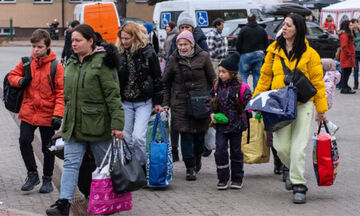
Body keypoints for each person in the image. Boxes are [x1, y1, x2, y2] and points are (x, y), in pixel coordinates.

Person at [46, 24, 125, 216]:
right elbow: (67, 95)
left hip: (98, 126)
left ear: (91, 41)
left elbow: (113, 96)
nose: (73, 44)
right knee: (71, 164)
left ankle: (108, 200)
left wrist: (117, 125)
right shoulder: (71, 62)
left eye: (78, 40)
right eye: (72, 40)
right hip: (74, 125)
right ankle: (64, 203)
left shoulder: (104, 62)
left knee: (104, 166)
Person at [253, 13, 328, 204]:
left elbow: (318, 82)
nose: (284, 28)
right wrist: (256, 101)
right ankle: (291, 168)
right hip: (280, 104)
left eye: (288, 25)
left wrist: (322, 109)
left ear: (298, 29)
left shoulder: (310, 54)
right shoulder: (273, 51)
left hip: (304, 104)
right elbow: (264, 78)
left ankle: (299, 185)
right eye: (283, 25)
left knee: (298, 148)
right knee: (282, 147)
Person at [8, 29, 64, 194]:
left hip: (48, 113)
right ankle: (32, 174)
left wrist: (58, 115)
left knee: (48, 148)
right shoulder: (27, 62)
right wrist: (20, 80)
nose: (36, 50)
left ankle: (47, 179)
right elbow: (11, 76)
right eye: (34, 46)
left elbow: (61, 92)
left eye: (39, 46)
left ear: (48, 46)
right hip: (29, 110)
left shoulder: (56, 66)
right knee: (24, 141)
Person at [162, 30, 216, 181]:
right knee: (185, 135)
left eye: (185, 44)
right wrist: (165, 103)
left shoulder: (203, 57)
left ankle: (197, 157)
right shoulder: (173, 59)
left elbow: (213, 79)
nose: (183, 47)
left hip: (200, 102)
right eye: (180, 44)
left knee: (199, 136)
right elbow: (165, 83)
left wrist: (213, 99)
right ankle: (189, 167)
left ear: (192, 44)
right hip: (180, 103)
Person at [115, 22, 163, 170]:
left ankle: (142, 166)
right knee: (127, 139)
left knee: (138, 138)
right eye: (122, 38)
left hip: (143, 101)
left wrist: (158, 102)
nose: (124, 42)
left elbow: (157, 77)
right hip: (126, 101)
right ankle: (132, 168)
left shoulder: (148, 53)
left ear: (135, 37)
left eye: (127, 38)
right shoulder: (119, 54)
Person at [166, 12, 210, 160]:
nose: (184, 29)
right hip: (179, 93)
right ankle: (176, 152)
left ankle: (198, 152)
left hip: (198, 95)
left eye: (187, 27)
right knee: (180, 126)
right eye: (182, 27)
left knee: (198, 129)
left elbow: (209, 72)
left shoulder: (201, 45)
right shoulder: (174, 44)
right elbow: (168, 71)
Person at [209, 52, 252, 190]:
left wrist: (253, 111)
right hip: (221, 126)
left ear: (232, 73)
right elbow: (209, 101)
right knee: (220, 150)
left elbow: (249, 104)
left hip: (237, 125)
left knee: (236, 151)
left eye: (224, 72)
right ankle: (222, 178)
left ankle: (237, 178)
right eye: (220, 71)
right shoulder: (216, 86)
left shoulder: (242, 87)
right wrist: (211, 114)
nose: (221, 74)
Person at [236, 14, 268, 89]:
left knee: (243, 75)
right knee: (257, 75)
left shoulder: (243, 30)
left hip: (246, 54)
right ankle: (256, 95)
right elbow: (266, 43)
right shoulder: (261, 29)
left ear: (247, 20)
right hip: (259, 54)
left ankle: (244, 93)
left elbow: (238, 43)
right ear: (255, 19)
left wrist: (240, 52)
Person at [318, 58, 341, 135]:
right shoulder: (332, 75)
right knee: (320, 116)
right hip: (327, 100)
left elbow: (327, 89)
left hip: (325, 100)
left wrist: (320, 97)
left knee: (319, 116)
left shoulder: (328, 77)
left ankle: (323, 131)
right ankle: (331, 128)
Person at [338, 20, 356, 94]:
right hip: (347, 57)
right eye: (350, 25)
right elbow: (344, 46)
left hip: (348, 56)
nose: (352, 26)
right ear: (347, 27)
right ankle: (344, 87)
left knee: (347, 72)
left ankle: (345, 85)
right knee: (346, 72)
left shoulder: (347, 34)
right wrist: (349, 54)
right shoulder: (345, 35)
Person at [351, 18, 360, 89]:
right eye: (353, 23)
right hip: (355, 53)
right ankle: (356, 83)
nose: (355, 24)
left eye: (356, 22)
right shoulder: (351, 32)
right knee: (356, 69)